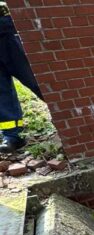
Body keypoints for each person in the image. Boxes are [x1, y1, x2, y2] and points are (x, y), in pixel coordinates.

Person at [0, 1, 44, 153]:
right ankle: (13, 136)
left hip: (5, 28)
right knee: (1, 92)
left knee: (35, 78)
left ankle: (68, 116)